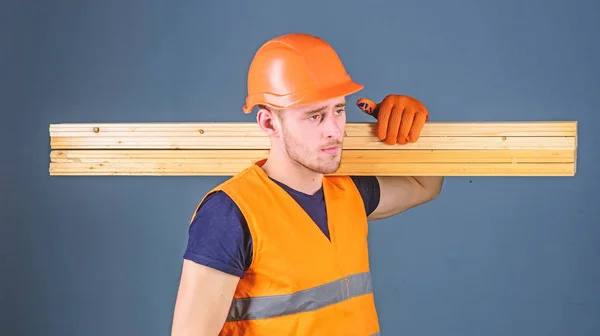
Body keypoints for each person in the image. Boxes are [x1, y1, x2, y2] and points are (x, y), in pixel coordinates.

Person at [171, 33, 444, 336]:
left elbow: (425, 185)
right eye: (315, 116)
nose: (334, 130)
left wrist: (419, 131)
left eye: (339, 110)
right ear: (269, 123)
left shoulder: (349, 192)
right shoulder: (230, 214)